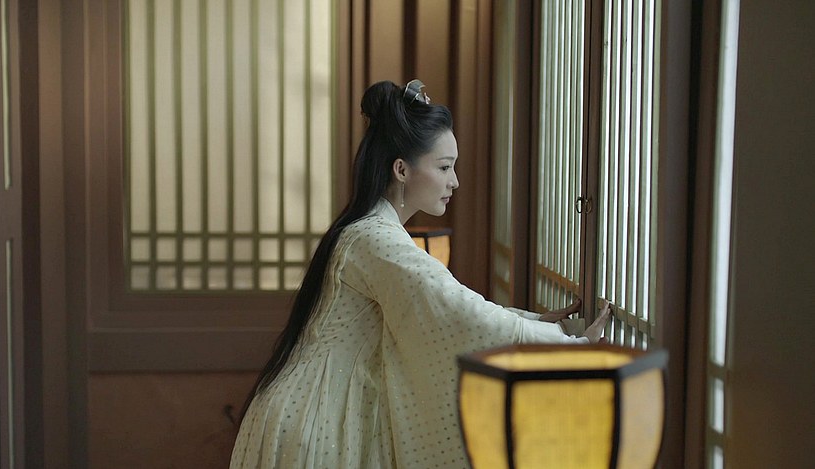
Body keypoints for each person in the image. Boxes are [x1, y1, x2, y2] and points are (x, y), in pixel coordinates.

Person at [230, 80, 612, 469]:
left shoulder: (372, 229)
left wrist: (538, 323)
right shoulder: (375, 238)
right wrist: (564, 343)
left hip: (319, 407)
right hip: (316, 418)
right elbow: (457, 311)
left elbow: (451, 306)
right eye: (444, 167)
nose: (454, 181)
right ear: (401, 169)